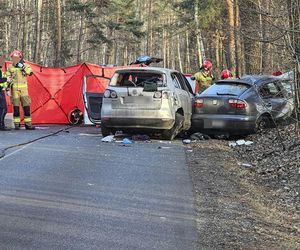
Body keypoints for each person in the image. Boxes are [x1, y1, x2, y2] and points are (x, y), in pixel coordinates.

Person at [6, 50, 35, 130]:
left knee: (26, 107)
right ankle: (16, 125)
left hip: (24, 91)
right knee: (15, 108)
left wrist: (22, 67)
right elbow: (8, 79)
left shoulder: (25, 65)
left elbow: (30, 73)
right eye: (13, 58)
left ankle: (28, 125)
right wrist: (8, 89)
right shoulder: (10, 67)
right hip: (15, 91)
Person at [0, 56, 11, 131]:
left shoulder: (1, 70)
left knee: (3, 109)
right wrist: (6, 79)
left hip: (1, 91)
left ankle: (2, 125)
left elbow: (3, 82)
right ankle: (1, 126)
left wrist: (7, 89)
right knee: (3, 109)